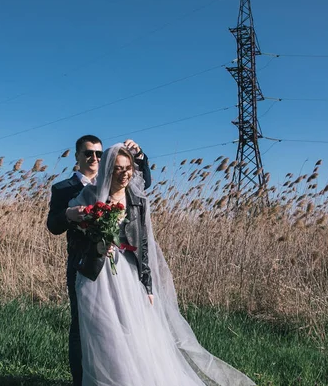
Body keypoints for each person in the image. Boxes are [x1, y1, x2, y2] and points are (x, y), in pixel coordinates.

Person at [69, 143, 256, 386]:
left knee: (135, 334)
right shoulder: (90, 197)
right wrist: (86, 232)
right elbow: (74, 234)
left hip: (128, 275)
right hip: (98, 277)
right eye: (118, 168)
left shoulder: (137, 200)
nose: (124, 173)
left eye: (128, 168)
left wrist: (147, 285)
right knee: (105, 335)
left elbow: (145, 245)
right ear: (107, 170)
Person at [46, 135, 151, 386]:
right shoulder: (64, 189)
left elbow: (141, 181)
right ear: (78, 157)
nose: (94, 158)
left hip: (118, 268)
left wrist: (141, 157)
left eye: (99, 154)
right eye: (88, 153)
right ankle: (81, 379)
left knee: (120, 324)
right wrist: (69, 215)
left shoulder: (115, 178)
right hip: (83, 265)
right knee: (81, 327)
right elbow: (53, 224)